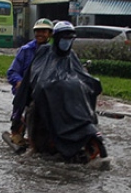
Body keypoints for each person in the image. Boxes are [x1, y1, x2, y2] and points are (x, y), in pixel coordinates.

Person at [13, 21, 103, 161]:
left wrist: (90, 84)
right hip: (44, 98)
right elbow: (37, 76)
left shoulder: (71, 55)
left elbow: (80, 73)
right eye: (64, 38)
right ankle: (35, 146)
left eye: (69, 39)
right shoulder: (43, 52)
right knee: (34, 111)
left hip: (67, 98)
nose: (66, 42)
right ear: (56, 38)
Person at [6, 18, 53, 145]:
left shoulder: (52, 52)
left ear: (49, 34)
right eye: (38, 31)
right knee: (21, 109)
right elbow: (12, 72)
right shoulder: (26, 50)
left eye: (44, 31)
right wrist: (20, 82)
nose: (40, 34)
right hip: (26, 92)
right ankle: (16, 131)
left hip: (45, 92)